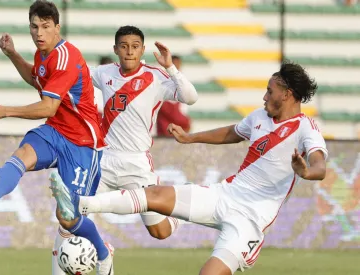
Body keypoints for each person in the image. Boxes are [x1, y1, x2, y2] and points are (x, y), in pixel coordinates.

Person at [51, 60, 328, 275]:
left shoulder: (306, 129)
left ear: (288, 95)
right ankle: (81, 204)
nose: (264, 97)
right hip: (225, 194)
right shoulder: (259, 117)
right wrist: (190, 137)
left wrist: (305, 172)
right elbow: (233, 132)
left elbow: (320, 166)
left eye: (270, 91)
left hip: (250, 220)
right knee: (155, 195)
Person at [0, 1, 113, 274]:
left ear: (57, 28)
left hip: (83, 143)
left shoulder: (66, 57)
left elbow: (48, 106)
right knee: (22, 154)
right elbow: (36, 80)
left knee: (68, 219)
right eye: (34, 27)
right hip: (56, 131)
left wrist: (5, 111)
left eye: (45, 27)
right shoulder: (42, 54)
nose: (39, 33)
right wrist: (12, 53)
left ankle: (104, 253)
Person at [88, 25, 198, 239]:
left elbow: (191, 97)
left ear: (143, 49)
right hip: (104, 160)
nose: (130, 51)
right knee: (75, 218)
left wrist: (171, 68)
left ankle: (183, 201)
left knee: (160, 232)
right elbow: (74, 77)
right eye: (124, 46)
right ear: (116, 49)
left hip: (136, 163)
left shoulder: (155, 77)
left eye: (135, 46)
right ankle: (100, 259)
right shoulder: (104, 73)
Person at [156, 55, 191, 137]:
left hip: (178, 117)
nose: (176, 66)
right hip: (165, 120)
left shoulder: (183, 80)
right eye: (174, 64)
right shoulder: (162, 79)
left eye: (178, 64)